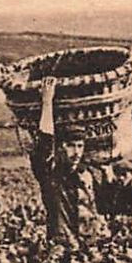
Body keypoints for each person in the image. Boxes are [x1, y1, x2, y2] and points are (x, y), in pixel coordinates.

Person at [28, 78, 102, 242]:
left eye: (80, 146)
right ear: (60, 147)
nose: (77, 152)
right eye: (71, 146)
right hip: (61, 246)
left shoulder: (86, 175)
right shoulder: (50, 174)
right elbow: (45, 142)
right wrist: (47, 103)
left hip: (89, 244)